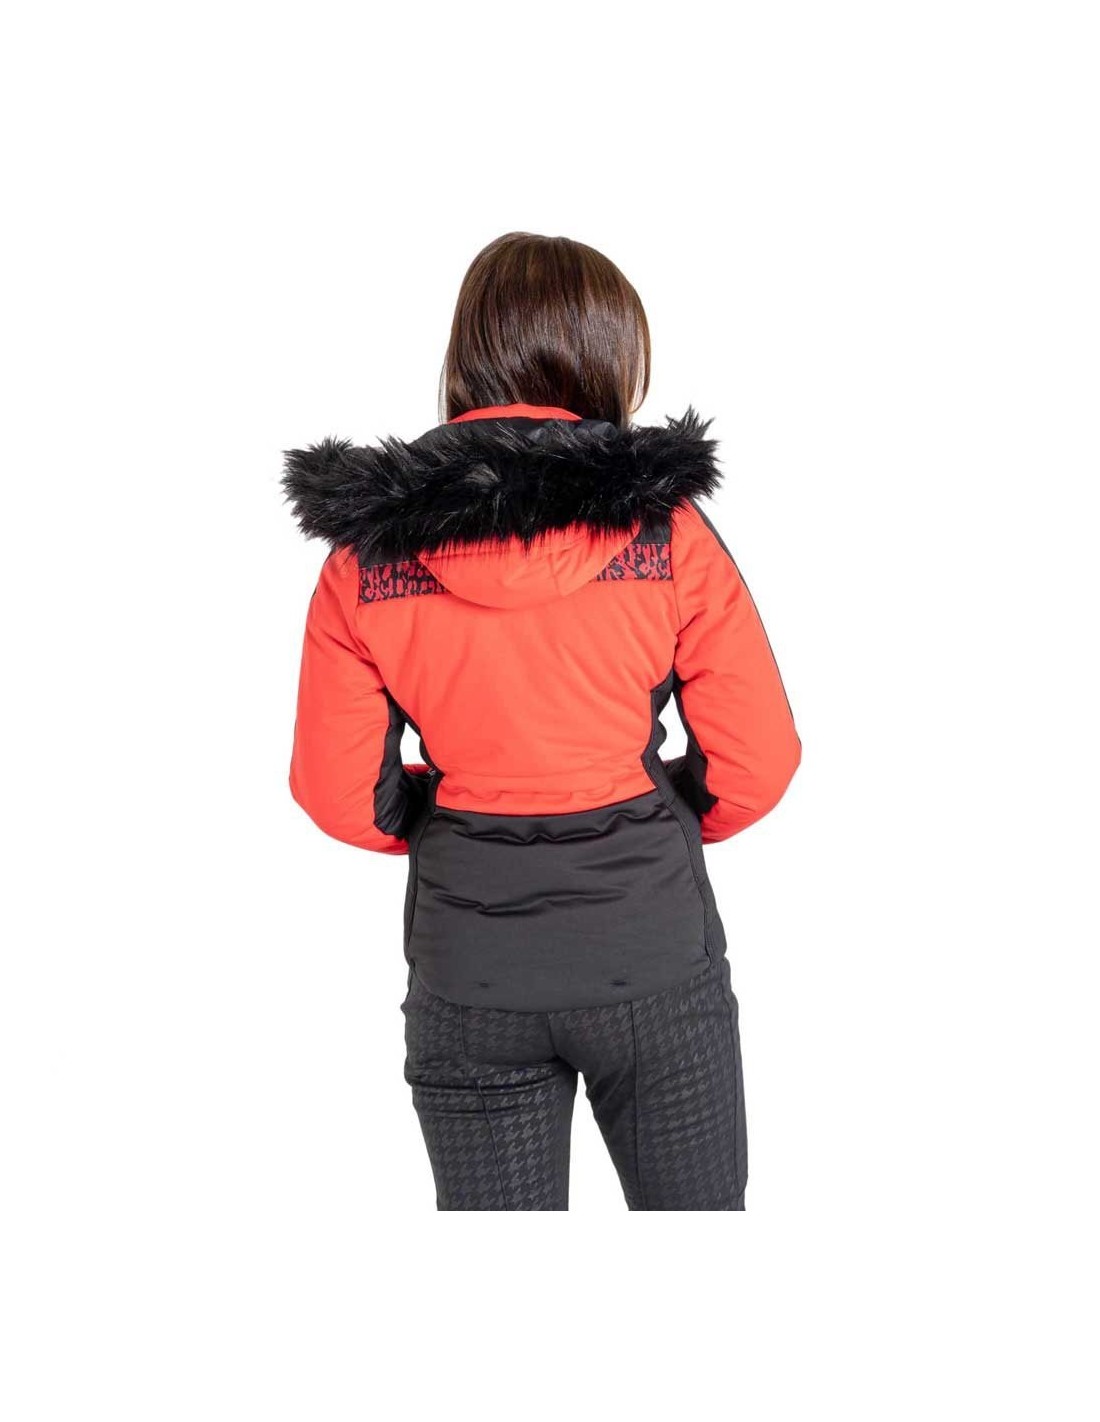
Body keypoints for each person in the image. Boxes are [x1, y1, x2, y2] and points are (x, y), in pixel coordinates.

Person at [281, 231, 802, 1211]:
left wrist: (441, 811)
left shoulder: (364, 553)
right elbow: (758, 762)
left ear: (467, 353)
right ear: (608, 356)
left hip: (469, 969)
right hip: (651, 950)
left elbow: (338, 794)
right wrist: (659, 808)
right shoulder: (668, 531)